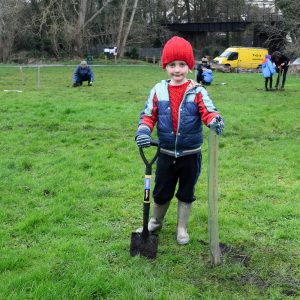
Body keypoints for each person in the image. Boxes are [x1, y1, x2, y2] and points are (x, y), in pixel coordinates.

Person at [135, 36, 224, 245]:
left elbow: (208, 111)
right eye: (172, 65)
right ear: (165, 66)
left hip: (190, 154)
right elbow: (148, 115)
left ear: (189, 66)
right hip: (164, 152)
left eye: (182, 65)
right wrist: (144, 131)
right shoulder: (158, 90)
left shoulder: (198, 91)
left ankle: (182, 227)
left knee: (186, 192)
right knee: (161, 191)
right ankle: (155, 222)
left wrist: (215, 120)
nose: (177, 70)